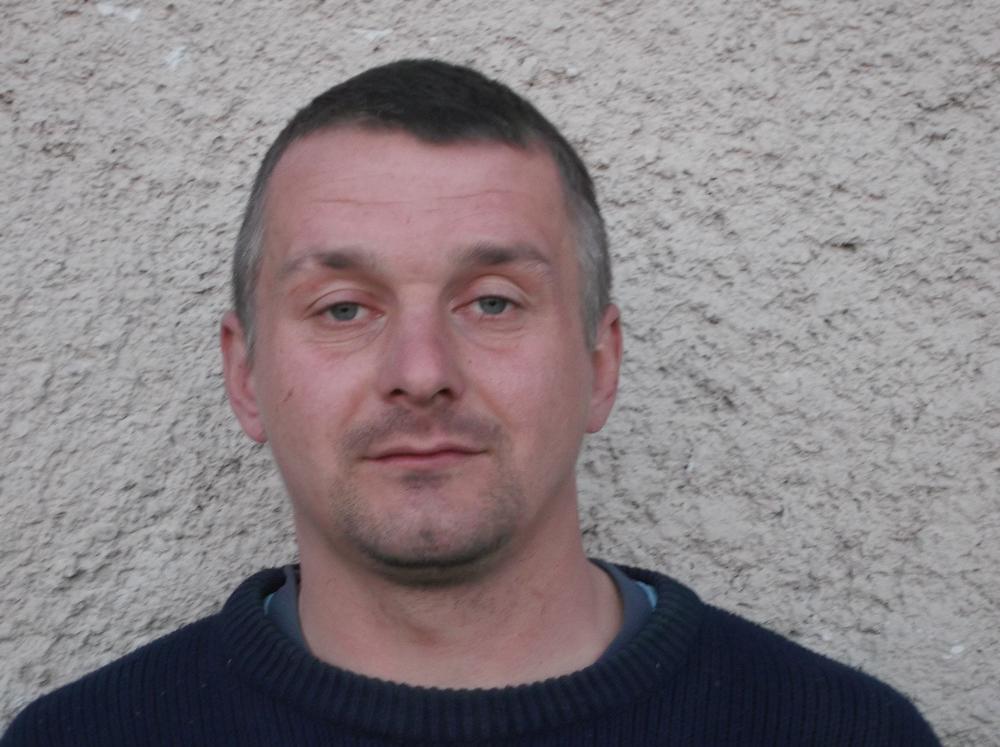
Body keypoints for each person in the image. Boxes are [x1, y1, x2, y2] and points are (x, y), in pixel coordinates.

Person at [1, 59, 939, 746]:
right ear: (246, 378)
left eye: (492, 301)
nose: (421, 371)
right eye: (343, 307)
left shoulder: (845, 733)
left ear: (600, 362)